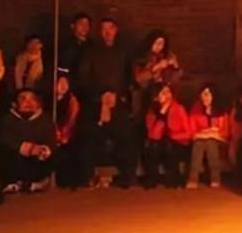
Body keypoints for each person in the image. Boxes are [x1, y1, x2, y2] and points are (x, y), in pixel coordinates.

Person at [77, 18, 136, 189]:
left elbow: (128, 79)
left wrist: (117, 95)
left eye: (110, 28)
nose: (107, 32)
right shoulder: (90, 52)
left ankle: (128, 176)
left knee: (126, 136)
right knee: (87, 136)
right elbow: (83, 78)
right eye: (103, 29)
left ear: (116, 30)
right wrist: (99, 96)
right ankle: (86, 177)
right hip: (94, 103)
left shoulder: (123, 53)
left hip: (118, 103)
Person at [0, 89, 55, 194]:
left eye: (33, 99)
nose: (28, 103)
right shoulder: (7, 120)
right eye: (23, 99)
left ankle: (38, 181)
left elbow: (50, 141)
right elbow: (5, 140)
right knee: (5, 151)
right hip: (16, 160)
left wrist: (43, 150)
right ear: (14, 104)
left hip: (37, 161)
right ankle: (13, 182)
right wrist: (26, 148)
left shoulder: (46, 120)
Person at [143, 83, 192, 189]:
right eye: (163, 92)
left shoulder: (178, 108)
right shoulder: (151, 112)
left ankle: (173, 180)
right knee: (153, 147)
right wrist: (162, 113)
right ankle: (152, 180)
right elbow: (153, 134)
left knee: (170, 147)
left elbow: (188, 132)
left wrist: (173, 136)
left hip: (177, 142)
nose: (167, 95)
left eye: (168, 92)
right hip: (158, 142)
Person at [187, 83, 230, 189]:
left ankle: (215, 178)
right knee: (199, 143)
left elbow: (224, 132)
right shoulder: (196, 109)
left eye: (208, 94)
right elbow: (193, 132)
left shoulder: (221, 111)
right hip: (201, 139)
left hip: (218, 140)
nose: (205, 97)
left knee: (211, 143)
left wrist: (209, 133)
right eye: (203, 94)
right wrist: (209, 132)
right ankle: (193, 178)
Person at [53, 74, 82, 188]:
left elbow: (72, 118)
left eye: (66, 83)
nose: (63, 86)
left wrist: (65, 131)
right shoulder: (48, 98)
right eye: (60, 82)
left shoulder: (71, 100)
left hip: (67, 130)